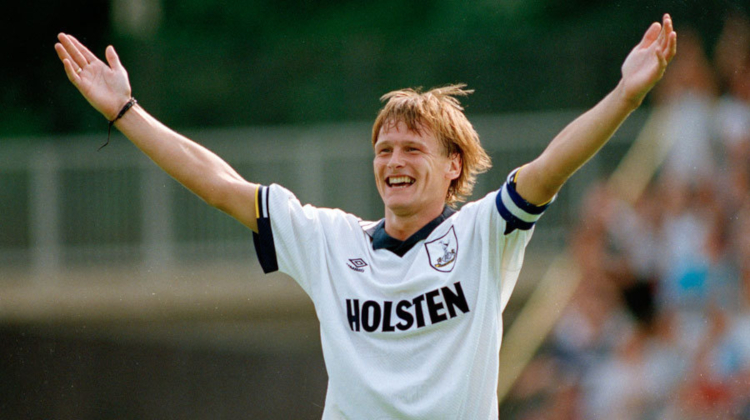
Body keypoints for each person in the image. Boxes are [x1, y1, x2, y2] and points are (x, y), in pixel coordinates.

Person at [55, 14, 677, 420]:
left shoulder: (484, 233)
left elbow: (552, 166)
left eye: (412, 149)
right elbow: (221, 186)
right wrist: (126, 112)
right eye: (384, 150)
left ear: (454, 166)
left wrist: (626, 95)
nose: (394, 162)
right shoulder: (330, 240)